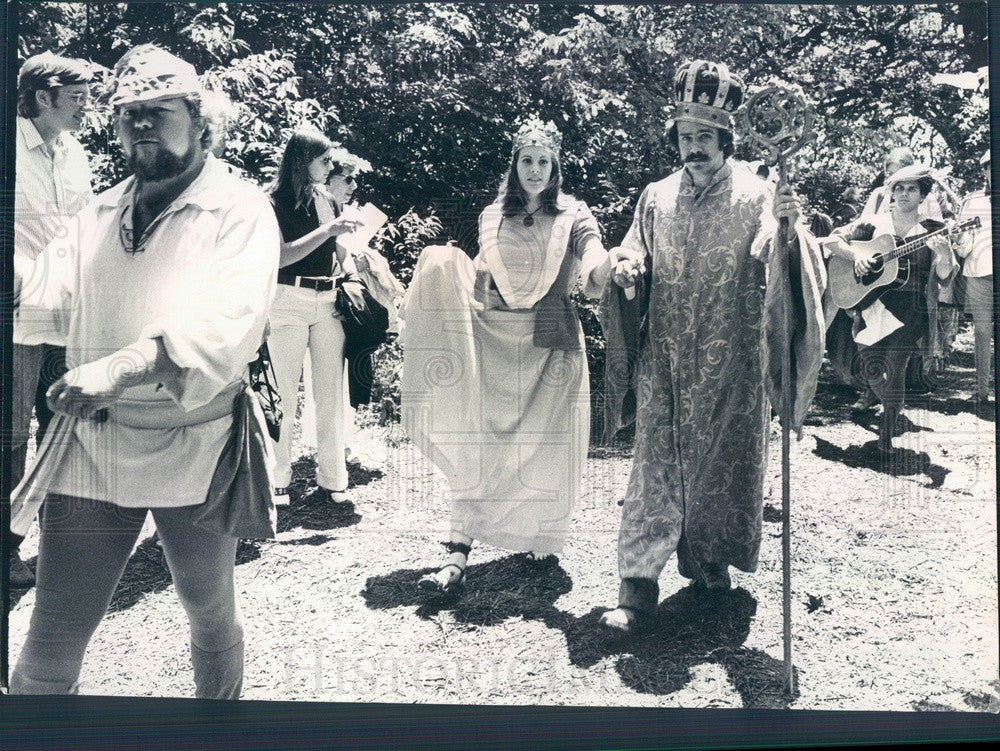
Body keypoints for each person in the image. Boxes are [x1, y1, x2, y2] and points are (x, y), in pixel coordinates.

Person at [10, 45, 279, 697]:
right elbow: (37, 305)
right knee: (48, 647)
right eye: (130, 114)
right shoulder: (97, 213)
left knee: (207, 607)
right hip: (94, 443)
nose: (142, 125)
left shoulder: (240, 211)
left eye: (159, 111)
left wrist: (126, 363)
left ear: (198, 115)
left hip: (199, 437)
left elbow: (227, 323)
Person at [598, 60, 826, 633]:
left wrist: (789, 230)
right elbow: (634, 253)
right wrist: (627, 267)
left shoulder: (758, 195)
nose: (692, 147)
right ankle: (636, 587)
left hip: (733, 363)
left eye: (704, 137)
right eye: (684, 136)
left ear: (725, 137)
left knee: (722, 469)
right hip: (665, 359)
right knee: (654, 468)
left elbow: (784, 271)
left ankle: (708, 567)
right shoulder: (655, 196)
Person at [400, 117, 621, 593]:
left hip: (550, 343)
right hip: (495, 341)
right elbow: (482, 278)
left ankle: (541, 536)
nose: (536, 170)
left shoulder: (573, 215)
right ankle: (458, 549)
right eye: (527, 160)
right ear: (515, 164)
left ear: (556, 166)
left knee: (545, 447)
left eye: (544, 161)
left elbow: (593, 253)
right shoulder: (492, 215)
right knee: (481, 440)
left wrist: (611, 263)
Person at [9, 52, 95, 589]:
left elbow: (86, 224)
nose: (87, 107)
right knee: (10, 433)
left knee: (64, 424)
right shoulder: (9, 148)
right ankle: (4, 549)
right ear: (44, 97)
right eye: (78, 97)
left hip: (69, 310)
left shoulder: (74, 152)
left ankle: (52, 540)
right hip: (17, 313)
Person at [825, 164, 958, 452]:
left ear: (923, 195)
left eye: (912, 188)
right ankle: (892, 407)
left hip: (911, 309)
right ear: (892, 192)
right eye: (899, 187)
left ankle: (885, 436)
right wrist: (857, 253)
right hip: (871, 303)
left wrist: (946, 255)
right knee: (871, 369)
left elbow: (946, 277)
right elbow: (832, 239)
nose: (905, 193)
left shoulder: (933, 230)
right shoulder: (874, 224)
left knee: (895, 370)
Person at [266, 130, 362, 501]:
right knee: (284, 394)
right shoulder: (272, 200)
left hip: (328, 300)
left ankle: (333, 479)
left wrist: (352, 261)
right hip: (287, 296)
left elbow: (339, 252)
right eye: (323, 160)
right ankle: (278, 478)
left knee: (329, 393)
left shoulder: (328, 200)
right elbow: (281, 256)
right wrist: (328, 230)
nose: (329, 166)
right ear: (302, 160)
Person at [954, 151, 994, 405]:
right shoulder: (972, 201)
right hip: (979, 272)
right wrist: (961, 238)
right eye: (990, 167)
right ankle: (982, 392)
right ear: (984, 171)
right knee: (982, 332)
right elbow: (962, 246)